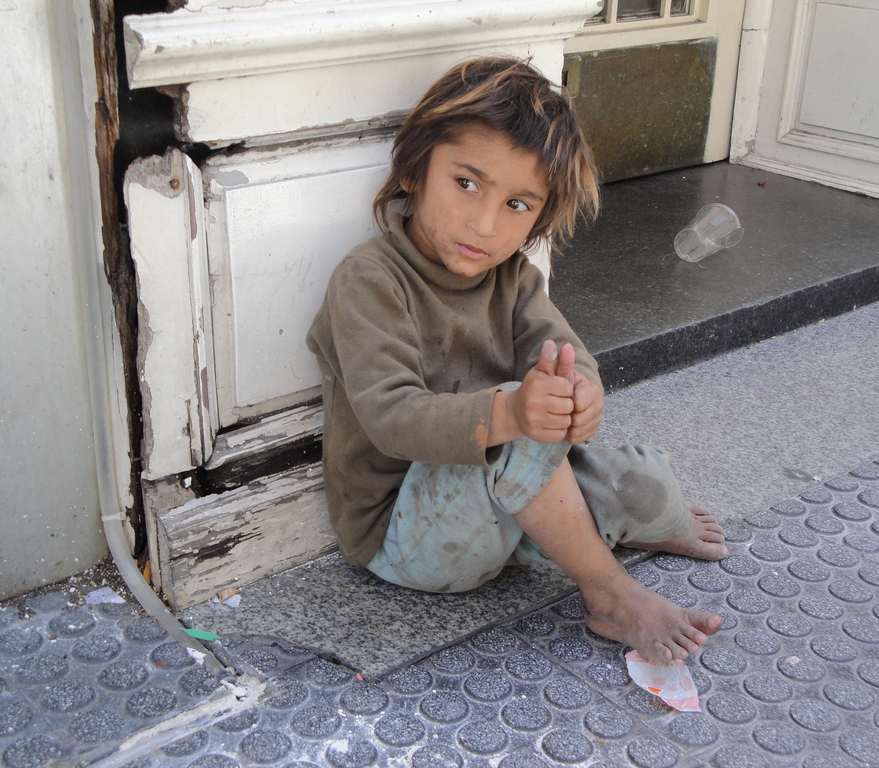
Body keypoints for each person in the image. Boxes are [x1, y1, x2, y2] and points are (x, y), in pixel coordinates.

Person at [306, 57, 726, 662]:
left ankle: (586, 529)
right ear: (414, 171)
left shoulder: (515, 279)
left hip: (499, 503)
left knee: (647, 486)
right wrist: (514, 414)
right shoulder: (369, 279)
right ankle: (608, 592)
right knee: (517, 420)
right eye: (466, 184)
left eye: (518, 204)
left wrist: (579, 397)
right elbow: (391, 418)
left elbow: (566, 355)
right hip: (408, 535)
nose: (484, 224)